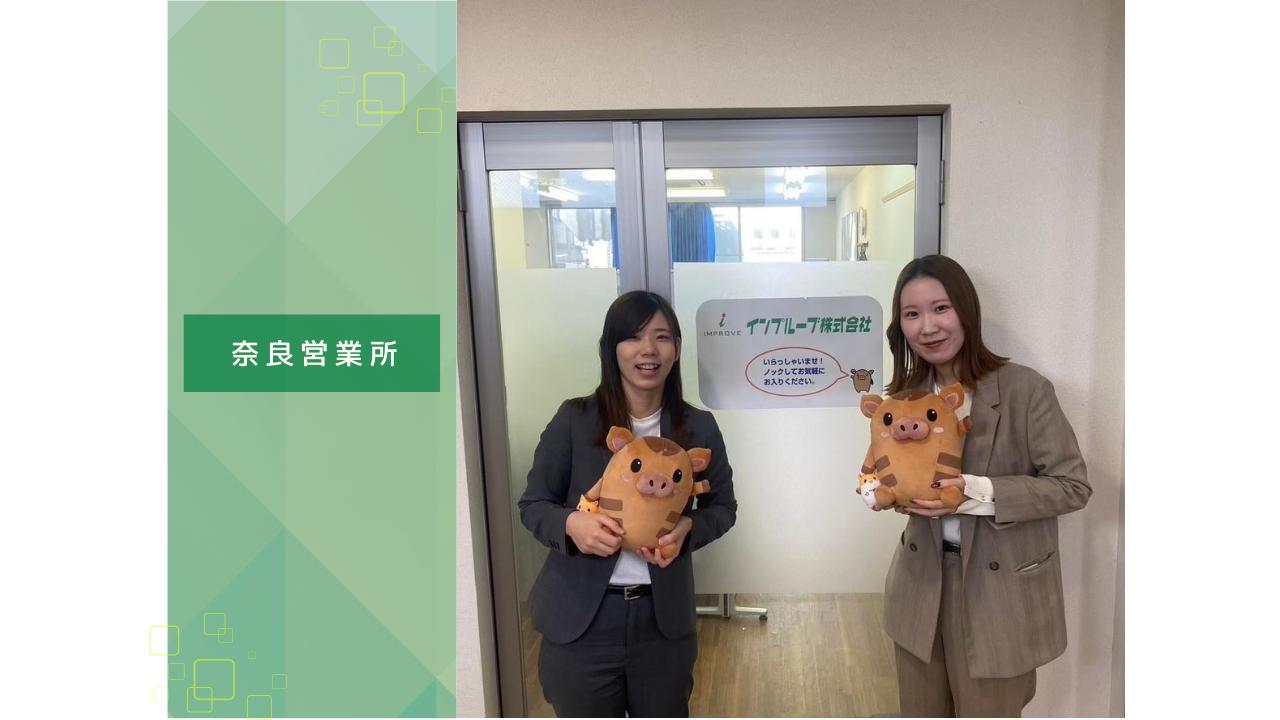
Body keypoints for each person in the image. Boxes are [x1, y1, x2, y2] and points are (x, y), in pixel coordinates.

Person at [875, 255, 1090, 717]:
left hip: (999, 595)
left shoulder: (1024, 389)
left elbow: (1072, 485)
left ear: (966, 311)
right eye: (912, 314)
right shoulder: (906, 399)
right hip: (920, 583)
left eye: (941, 308)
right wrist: (887, 491)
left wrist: (973, 491)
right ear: (900, 327)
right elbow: (896, 471)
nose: (928, 327)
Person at [518, 290, 738, 718]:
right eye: (633, 337)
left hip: (662, 623)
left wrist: (688, 529)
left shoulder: (698, 427)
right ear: (611, 349)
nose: (648, 349)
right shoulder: (574, 419)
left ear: (677, 349)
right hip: (582, 621)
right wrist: (572, 525)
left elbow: (723, 508)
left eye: (662, 337)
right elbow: (534, 503)